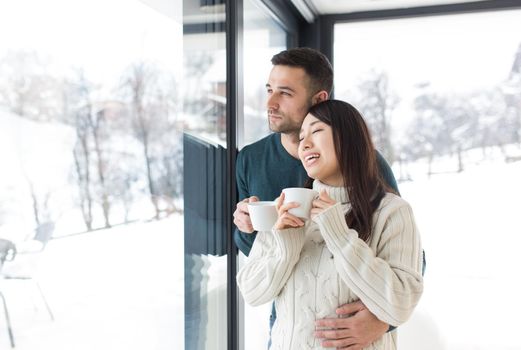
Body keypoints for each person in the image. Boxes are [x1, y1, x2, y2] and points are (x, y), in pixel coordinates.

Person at [234, 47, 401, 349]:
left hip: (351, 330)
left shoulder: (366, 162)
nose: (270, 103)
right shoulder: (250, 159)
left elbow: (408, 257)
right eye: (269, 90)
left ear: (319, 99)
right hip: (288, 325)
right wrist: (247, 229)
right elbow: (258, 261)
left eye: (285, 93)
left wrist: (382, 321)